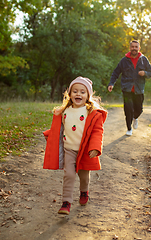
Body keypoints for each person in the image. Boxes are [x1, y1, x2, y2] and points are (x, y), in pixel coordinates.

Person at [43, 76, 107, 215]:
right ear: (69, 94)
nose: (78, 94)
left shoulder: (92, 113)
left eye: (83, 92)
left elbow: (97, 131)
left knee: (83, 176)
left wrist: (95, 147)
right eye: (75, 91)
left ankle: (84, 192)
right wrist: (50, 135)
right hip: (69, 150)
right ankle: (66, 202)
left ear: (88, 95)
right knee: (69, 174)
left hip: (84, 151)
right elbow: (60, 128)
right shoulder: (64, 111)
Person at [108, 40, 151, 136]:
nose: (134, 48)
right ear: (130, 48)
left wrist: (144, 73)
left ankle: (135, 118)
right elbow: (116, 72)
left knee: (139, 109)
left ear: (139, 48)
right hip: (127, 89)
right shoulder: (124, 60)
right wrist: (111, 83)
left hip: (139, 89)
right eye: (132, 47)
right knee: (128, 109)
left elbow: (150, 73)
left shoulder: (143, 59)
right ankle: (129, 128)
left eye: (136, 47)